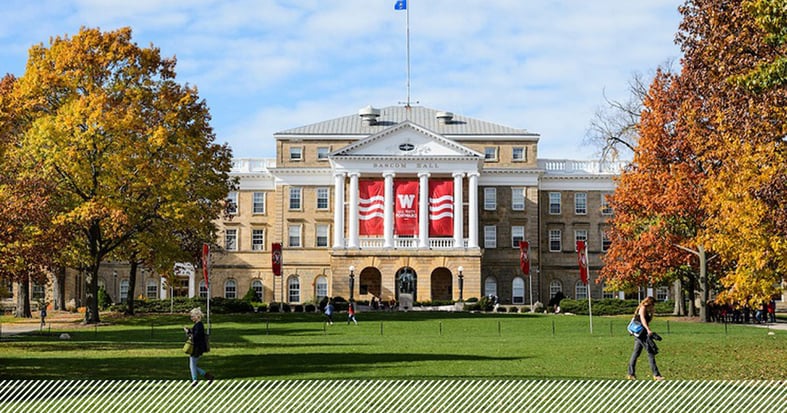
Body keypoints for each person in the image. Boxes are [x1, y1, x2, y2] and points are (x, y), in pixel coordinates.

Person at [627, 296, 664, 381]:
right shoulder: (643, 308)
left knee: (636, 353)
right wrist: (648, 329)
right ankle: (656, 375)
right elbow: (643, 320)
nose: (653, 306)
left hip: (640, 333)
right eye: (653, 304)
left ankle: (630, 374)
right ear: (650, 303)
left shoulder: (647, 309)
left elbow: (647, 320)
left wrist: (652, 313)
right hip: (641, 333)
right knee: (650, 352)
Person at [184, 307, 213, 386]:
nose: (191, 318)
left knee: (192, 364)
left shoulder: (199, 325)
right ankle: (208, 376)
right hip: (198, 347)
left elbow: (196, 336)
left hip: (197, 348)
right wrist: (189, 331)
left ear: (197, 316)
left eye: (192, 316)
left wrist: (189, 333)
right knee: (193, 365)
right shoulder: (198, 325)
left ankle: (195, 380)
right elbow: (195, 333)